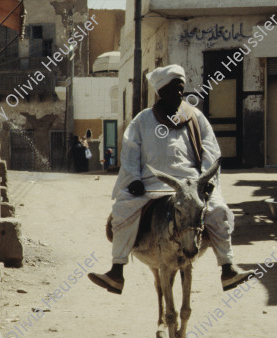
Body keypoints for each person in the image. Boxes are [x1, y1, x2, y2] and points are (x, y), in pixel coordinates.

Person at [88, 64, 253, 294]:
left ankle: (227, 268)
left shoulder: (196, 118)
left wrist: (205, 180)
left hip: (190, 186)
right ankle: (117, 271)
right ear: (160, 92)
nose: (179, 94)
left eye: (181, 89)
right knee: (123, 209)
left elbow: (211, 151)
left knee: (218, 210)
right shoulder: (142, 120)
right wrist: (134, 178)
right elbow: (130, 151)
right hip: (151, 185)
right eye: (173, 89)